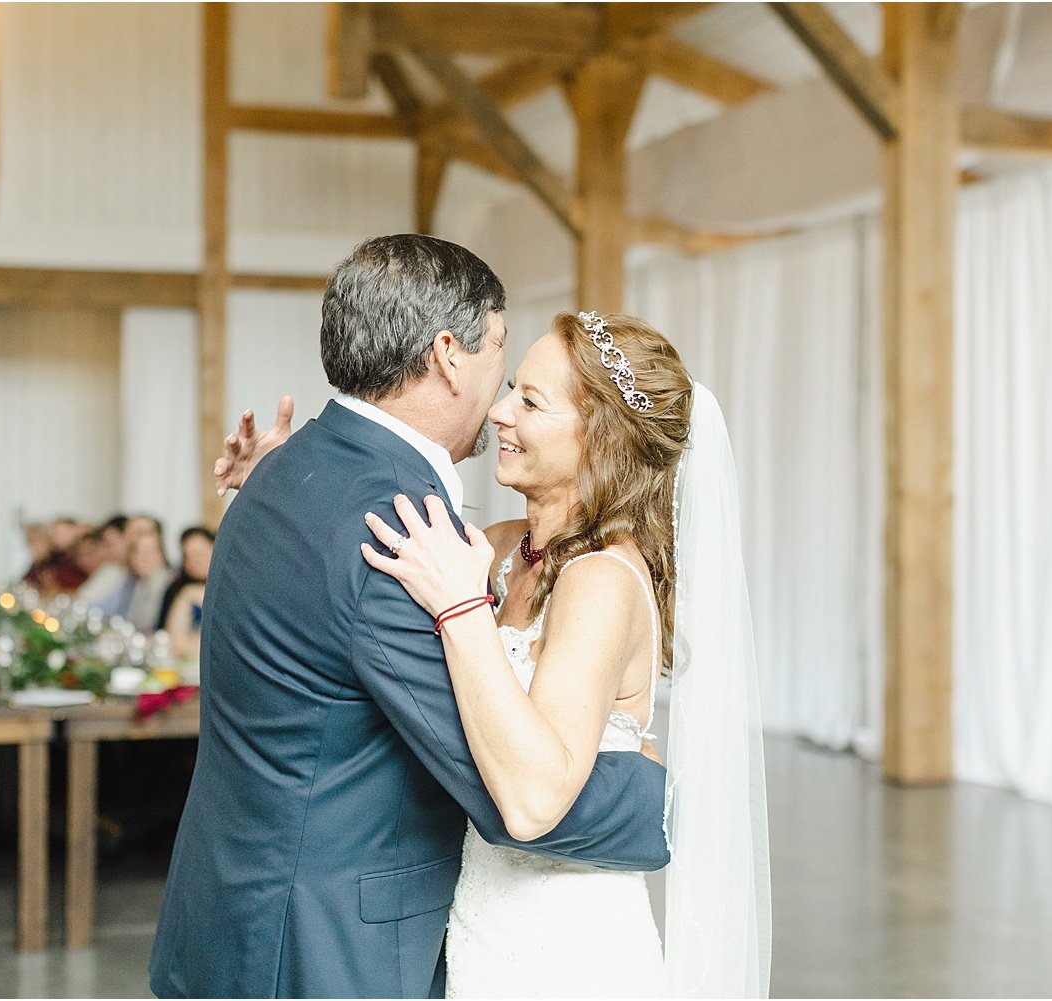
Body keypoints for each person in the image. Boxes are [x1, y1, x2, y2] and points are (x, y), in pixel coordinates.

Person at [149, 236, 671, 999]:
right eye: (502, 360)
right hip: (319, 950)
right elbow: (512, 791)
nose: (500, 405)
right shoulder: (396, 529)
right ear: (450, 354)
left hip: (245, 916)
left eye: (531, 398)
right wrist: (663, 806)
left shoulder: (294, 473)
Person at [213, 311, 772, 998]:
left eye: (531, 402)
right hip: (477, 917)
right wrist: (280, 483)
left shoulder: (599, 579)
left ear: (602, 438)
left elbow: (536, 801)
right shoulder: (502, 545)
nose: (500, 412)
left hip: (562, 939)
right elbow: (357, 556)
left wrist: (462, 611)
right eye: (510, 387)